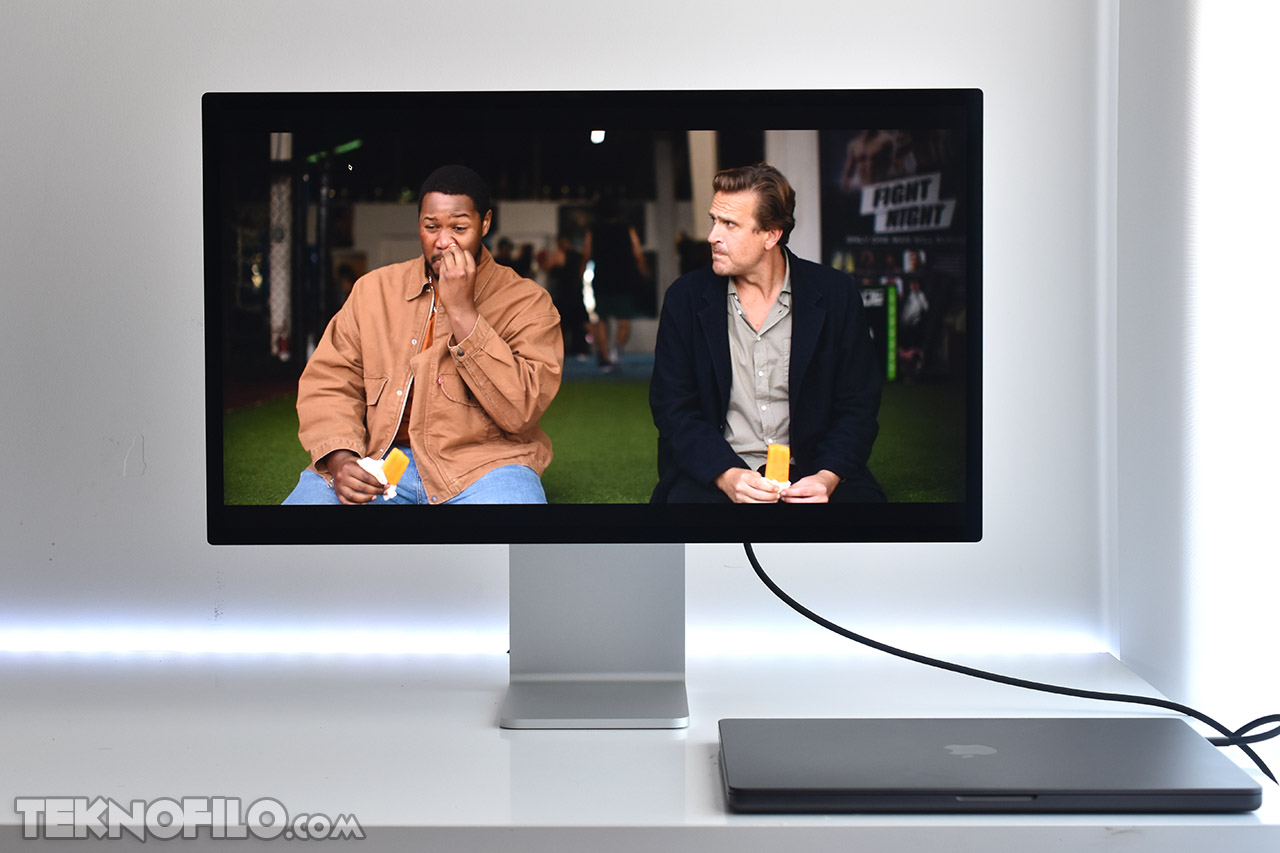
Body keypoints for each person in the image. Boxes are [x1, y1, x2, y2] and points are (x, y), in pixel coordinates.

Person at [283, 164, 564, 505]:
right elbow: (329, 382)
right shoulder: (373, 291)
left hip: (487, 467)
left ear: (485, 223)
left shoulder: (528, 302)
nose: (443, 242)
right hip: (377, 461)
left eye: (459, 227)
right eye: (431, 227)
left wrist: (463, 312)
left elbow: (521, 409)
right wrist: (342, 459)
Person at [649, 162, 884, 504]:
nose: (713, 236)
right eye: (715, 220)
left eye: (729, 224)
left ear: (771, 234)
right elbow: (673, 406)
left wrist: (828, 476)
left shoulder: (836, 294)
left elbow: (858, 403)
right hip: (718, 473)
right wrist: (726, 474)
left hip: (813, 469)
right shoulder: (685, 298)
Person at [583, 196, 646, 370]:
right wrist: (643, 272)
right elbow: (638, 253)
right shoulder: (627, 229)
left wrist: (579, 275)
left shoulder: (594, 230)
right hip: (623, 279)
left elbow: (586, 254)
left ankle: (606, 357)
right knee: (624, 320)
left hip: (602, 279)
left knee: (601, 320)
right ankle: (615, 351)